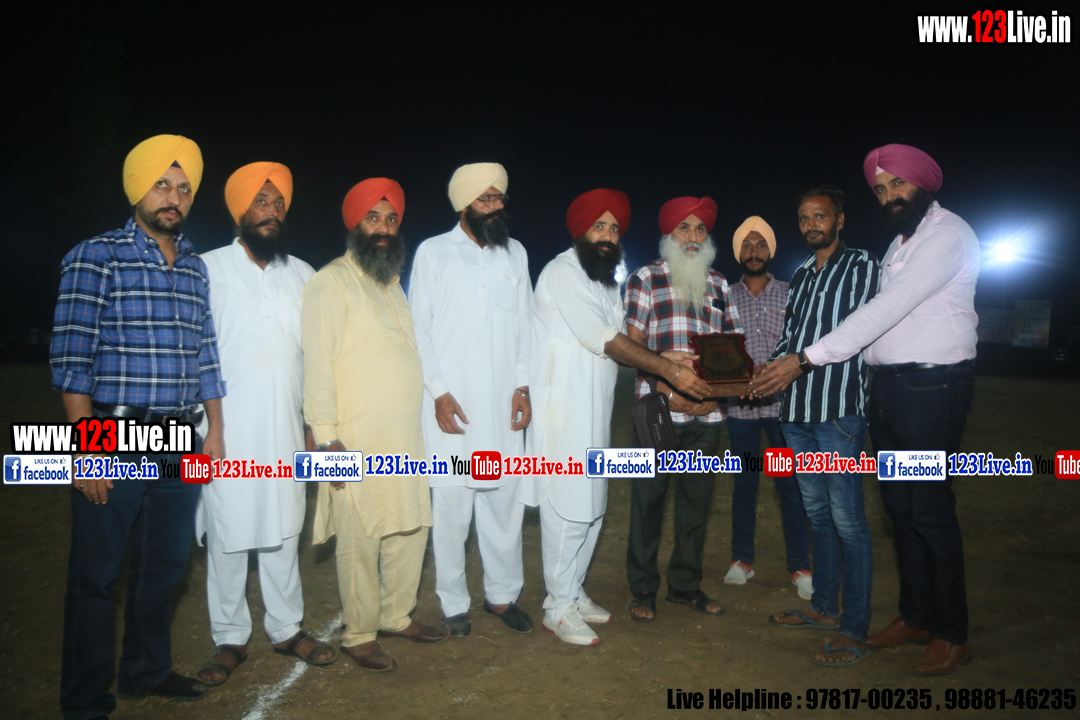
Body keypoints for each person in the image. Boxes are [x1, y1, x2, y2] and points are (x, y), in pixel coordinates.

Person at [753, 144, 980, 675]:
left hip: (933, 387)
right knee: (900, 511)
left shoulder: (947, 235)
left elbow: (886, 308)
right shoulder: (899, 246)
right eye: (880, 188)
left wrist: (803, 360)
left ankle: (952, 633)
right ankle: (916, 616)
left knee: (928, 512)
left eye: (898, 184)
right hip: (892, 390)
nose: (889, 195)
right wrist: (774, 367)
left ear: (924, 184)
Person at [51, 135, 224, 717]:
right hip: (111, 434)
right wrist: (84, 451)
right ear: (137, 190)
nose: (173, 197)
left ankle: (145, 671)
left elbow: (206, 355)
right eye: (161, 185)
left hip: (180, 440)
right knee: (97, 577)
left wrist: (215, 432)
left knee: (164, 567)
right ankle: (84, 701)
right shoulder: (95, 255)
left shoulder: (195, 268)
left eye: (183, 188)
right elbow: (72, 360)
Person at [521, 189, 713, 645]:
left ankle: (574, 591)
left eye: (613, 228)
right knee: (567, 507)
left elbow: (627, 339)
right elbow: (605, 339)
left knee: (593, 506)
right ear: (580, 232)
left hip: (595, 410)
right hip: (562, 412)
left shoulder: (605, 282)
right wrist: (669, 370)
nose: (607, 236)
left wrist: (666, 356)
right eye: (599, 227)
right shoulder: (563, 272)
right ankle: (556, 606)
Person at [194, 162, 337, 687]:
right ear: (240, 210)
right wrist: (206, 429)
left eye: (278, 203)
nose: (272, 211)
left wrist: (312, 426)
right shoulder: (206, 268)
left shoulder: (303, 274)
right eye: (261, 201)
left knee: (283, 526)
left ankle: (286, 628)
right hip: (221, 429)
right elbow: (194, 353)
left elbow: (316, 358)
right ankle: (230, 637)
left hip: (285, 428)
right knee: (228, 532)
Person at [303, 178, 448, 673]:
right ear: (354, 225)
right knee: (360, 536)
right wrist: (326, 439)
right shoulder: (330, 282)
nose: (383, 228)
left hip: (404, 434)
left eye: (391, 219)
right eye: (373, 218)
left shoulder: (392, 285)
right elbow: (317, 366)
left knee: (410, 525)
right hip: (353, 438)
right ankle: (360, 634)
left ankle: (396, 615)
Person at [409, 162, 534, 637]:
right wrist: (439, 392)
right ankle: (453, 603)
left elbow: (525, 326)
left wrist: (523, 386)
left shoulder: (515, 253)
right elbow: (420, 329)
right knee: (452, 506)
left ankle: (502, 596)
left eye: (499, 198)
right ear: (464, 204)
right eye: (485, 199)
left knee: (504, 505)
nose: (495, 206)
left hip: (502, 406)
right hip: (453, 408)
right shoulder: (433, 253)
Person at [758, 186, 880, 668]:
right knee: (819, 515)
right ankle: (825, 609)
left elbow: (862, 330)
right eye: (805, 218)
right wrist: (764, 373)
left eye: (820, 216)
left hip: (838, 411)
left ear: (840, 220)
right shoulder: (802, 274)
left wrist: (793, 363)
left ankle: (856, 626)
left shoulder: (863, 265)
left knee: (848, 520)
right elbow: (789, 338)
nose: (812, 225)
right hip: (797, 413)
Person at [624, 196, 738, 622]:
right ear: (668, 234)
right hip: (657, 410)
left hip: (708, 413)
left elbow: (734, 348)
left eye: (700, 229)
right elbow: (631, 345)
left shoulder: (721, 284)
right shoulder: (645, 278)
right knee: (648, 502)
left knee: (695, 504)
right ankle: (643, 589)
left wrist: (716, 394)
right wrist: (666, 383)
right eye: (683, 228)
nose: (692, 237)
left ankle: (685, 586)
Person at [724, 217, 813, 599]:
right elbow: (720, 349)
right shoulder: (725, 295)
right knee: (744, 483)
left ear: (770, 251)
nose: (754, 251)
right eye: (747, 245)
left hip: (782, 409)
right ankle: (741, 560)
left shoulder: (791, 293)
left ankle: (800, 566)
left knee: (789, 486)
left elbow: (800, 344)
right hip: (740, 410)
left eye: (761, 245)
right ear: (738, 253)